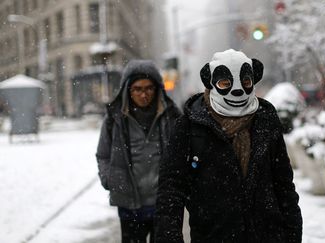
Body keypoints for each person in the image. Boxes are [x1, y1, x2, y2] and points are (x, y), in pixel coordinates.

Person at [155, 49, 302, 243]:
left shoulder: (266, 119)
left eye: (246, 81)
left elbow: (283, 183)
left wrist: (292, 233)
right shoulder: (189, 126)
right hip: (213, 235)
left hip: (267, 234)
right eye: (225, 83)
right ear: (211, 83)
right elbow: (171, 188)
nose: (238, 90)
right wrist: (169, 236)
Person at [96, 60, 181, 243]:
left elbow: (184, 152)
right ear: (128, 89)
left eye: (149, 88)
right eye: (138, 89)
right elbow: (103, 154)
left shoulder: (172, 115)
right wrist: (109, 179)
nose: (144, 94)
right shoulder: (115, 119)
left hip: (165, 204)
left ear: (157, 88)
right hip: (129, 206)